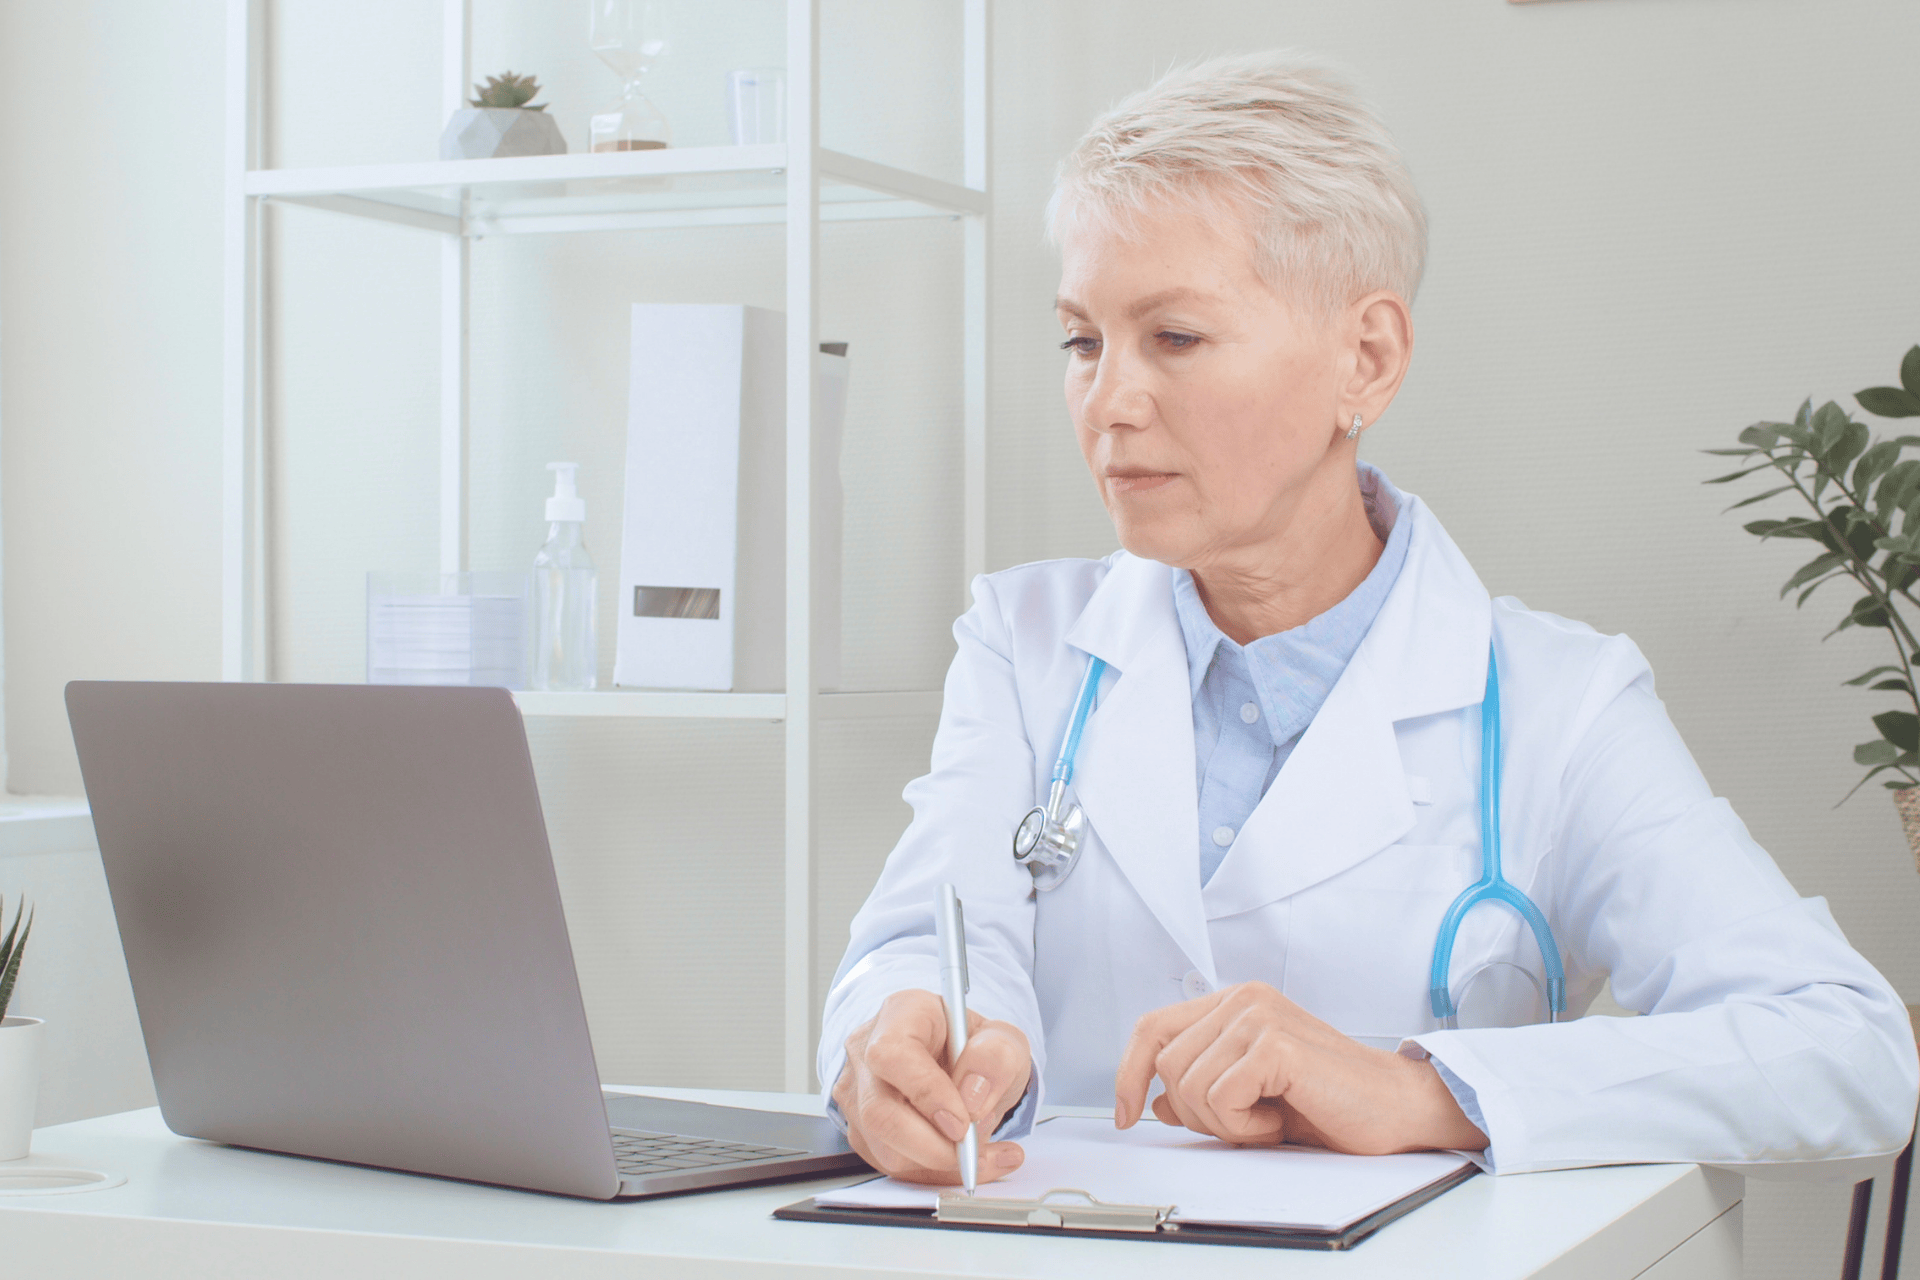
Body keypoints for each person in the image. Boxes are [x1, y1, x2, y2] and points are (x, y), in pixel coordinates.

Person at [819, 50, 1919, 1184]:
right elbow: (927, 942)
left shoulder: (1557, 703)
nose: (1109, 402)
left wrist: (1422, 1087)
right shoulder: (1024, 643)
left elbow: (1846, 1041)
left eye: (1176, 338)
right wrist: (914, 1032)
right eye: (1083, 340)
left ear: (1368, 356)